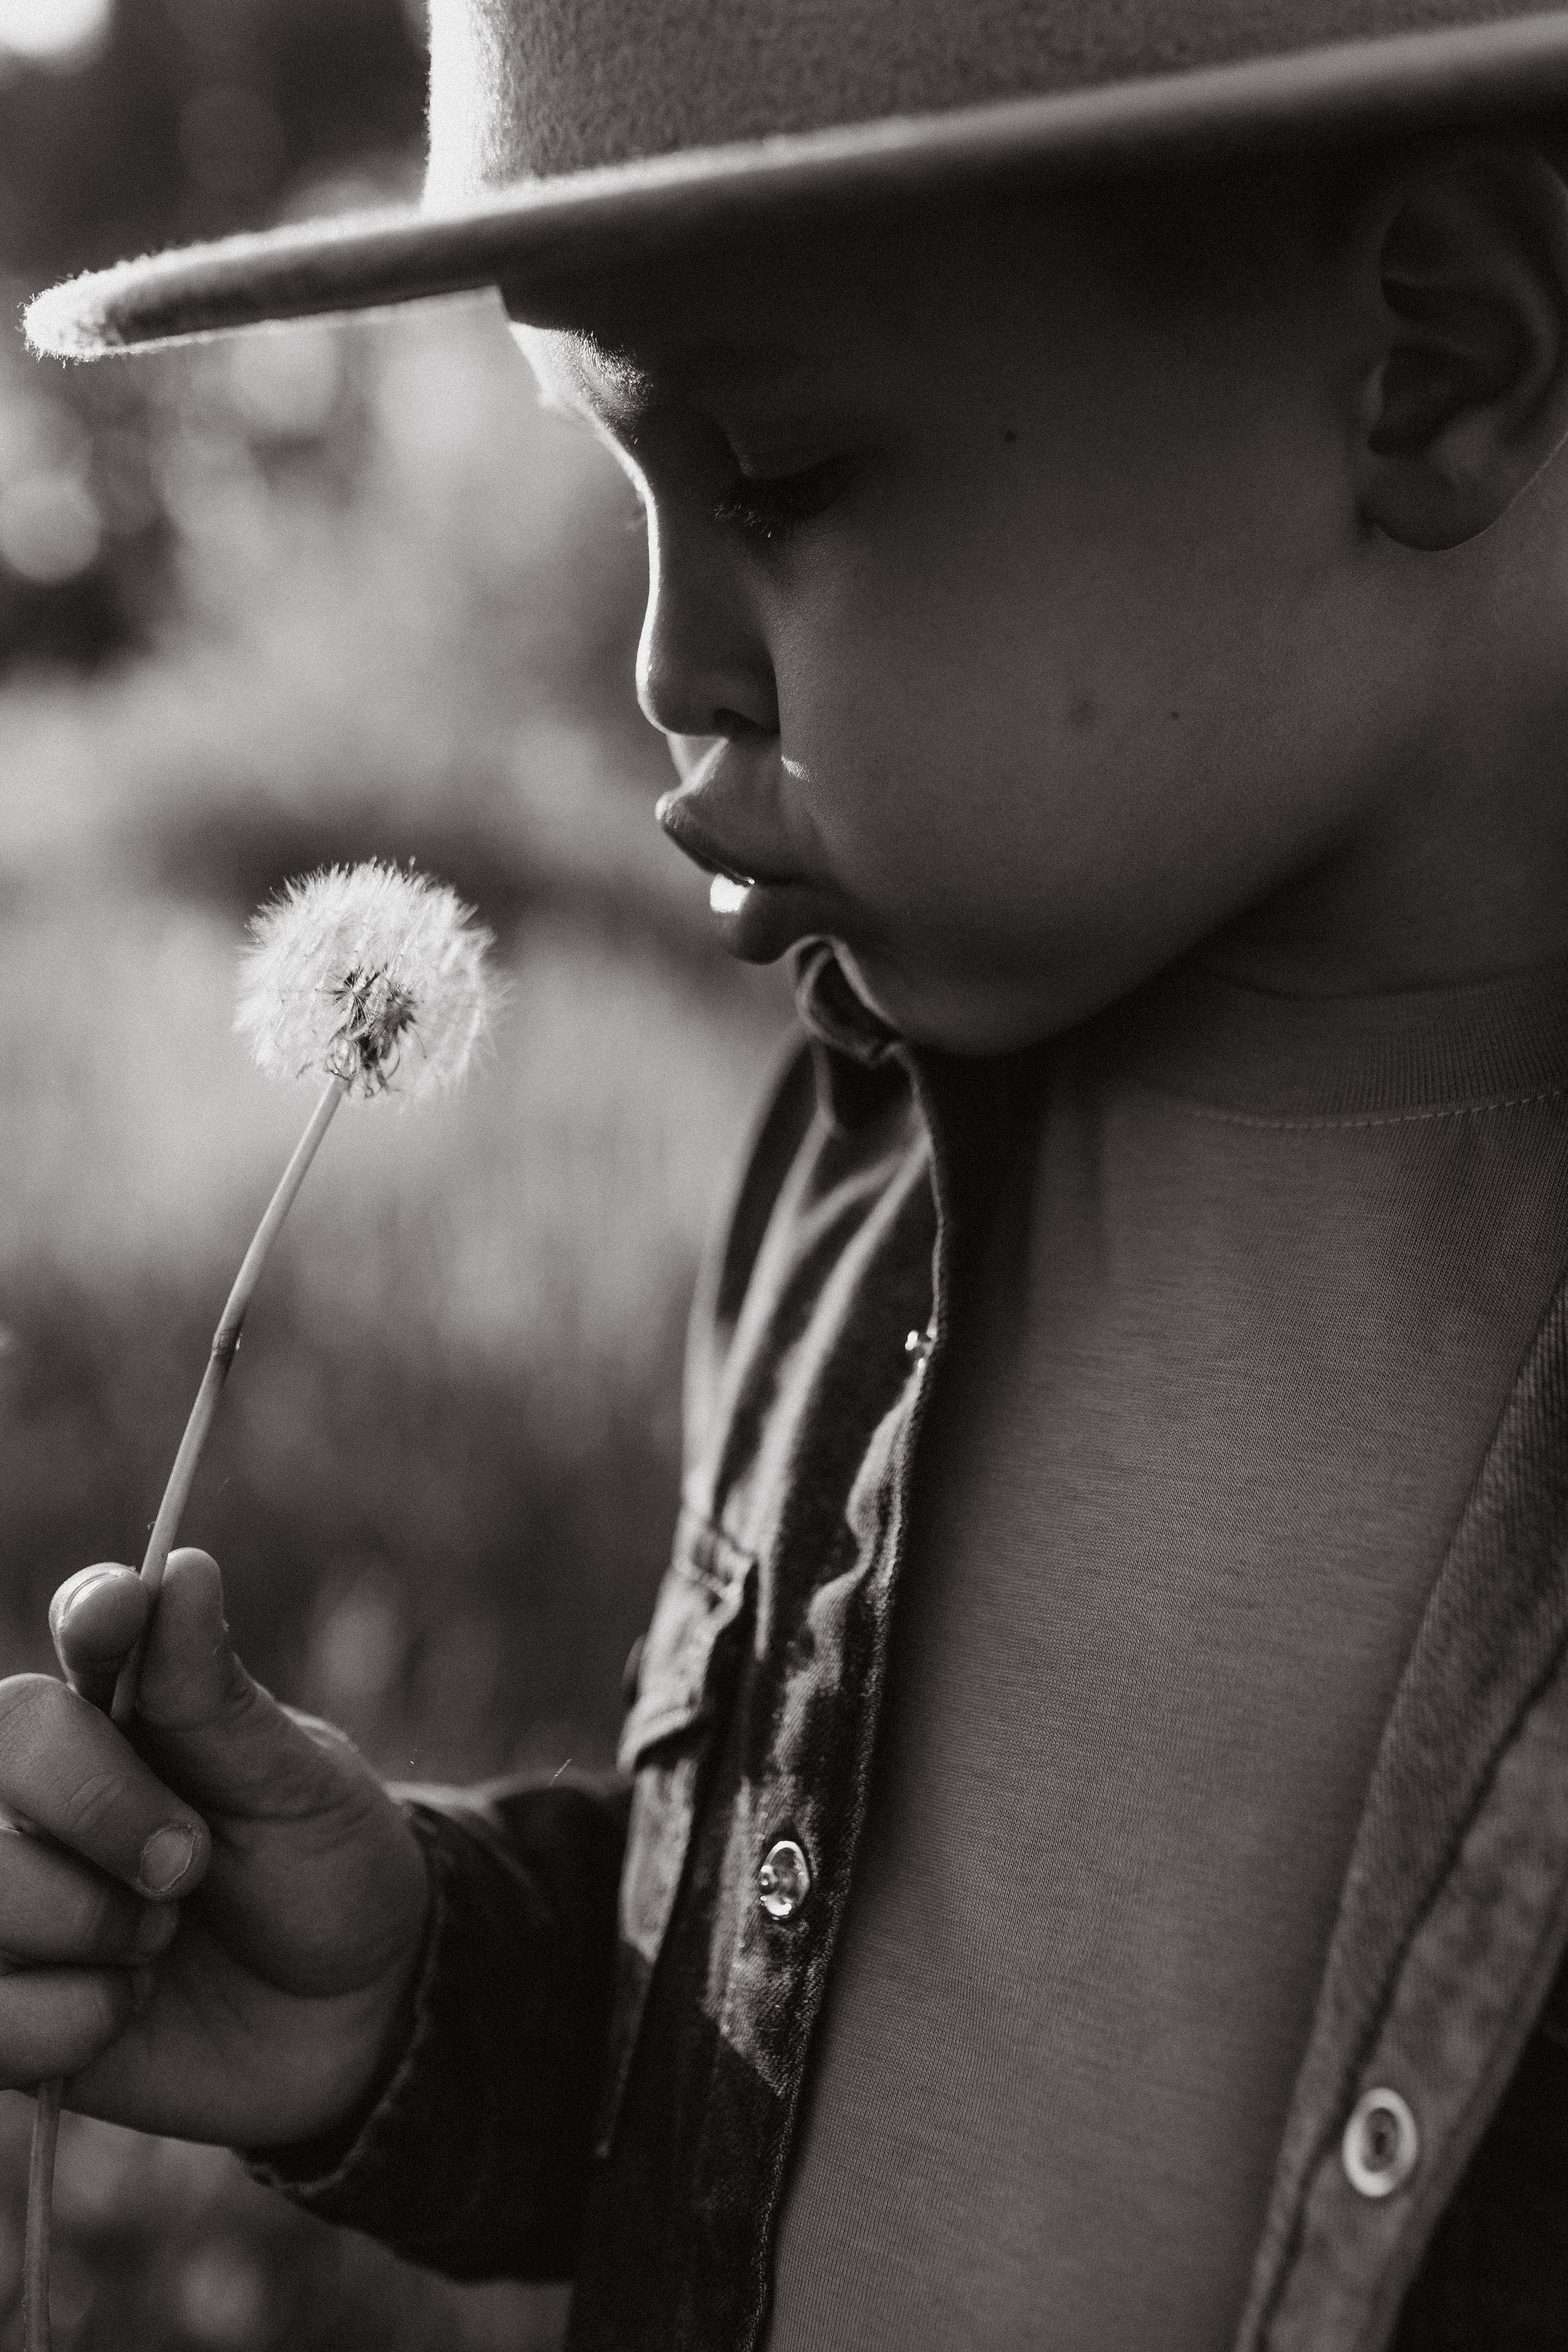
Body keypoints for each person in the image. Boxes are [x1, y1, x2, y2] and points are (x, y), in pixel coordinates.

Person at [16, 2, 1568, 2344]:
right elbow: (803, 2024)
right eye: (618, 495)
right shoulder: (859, 1175)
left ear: (1432, 366)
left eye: (781, 474)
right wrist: (419, 1990)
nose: (663, 661)